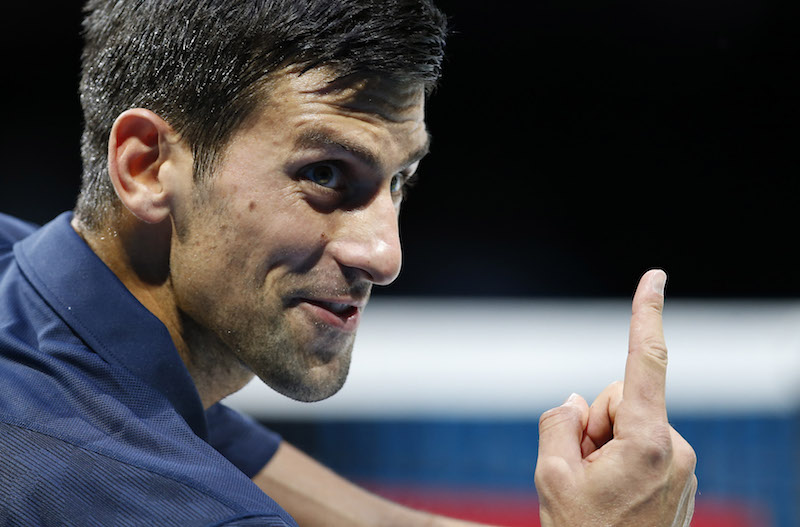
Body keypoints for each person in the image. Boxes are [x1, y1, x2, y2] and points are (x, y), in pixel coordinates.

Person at [0, 0, 696, 525]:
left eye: (399, 181)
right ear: (148, 166)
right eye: (326, 174)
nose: (385, 255)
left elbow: (243, 456)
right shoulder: (174, 504)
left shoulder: (38, 290)